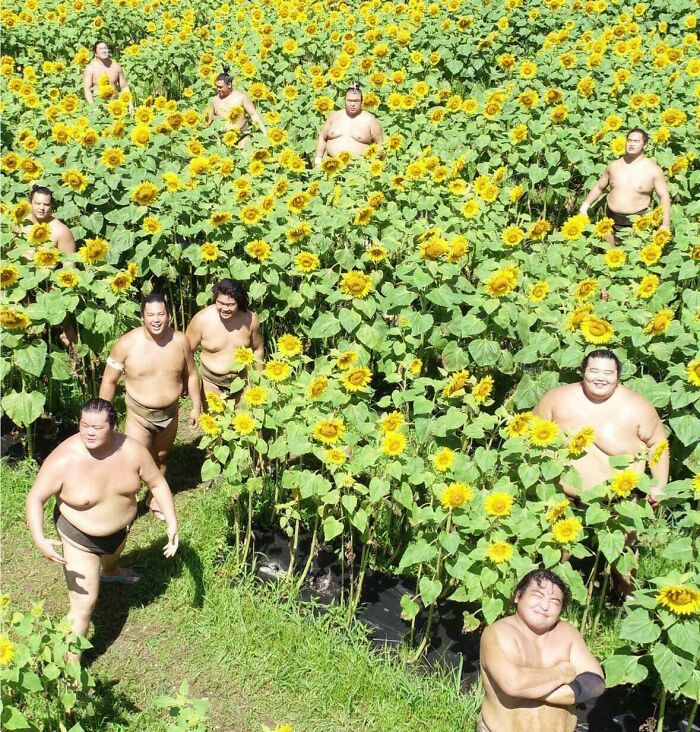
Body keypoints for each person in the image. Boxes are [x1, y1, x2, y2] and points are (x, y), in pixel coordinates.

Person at [26, 398, 178, 659]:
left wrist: (173, 522)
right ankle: (69, 672)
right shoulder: (64, 459)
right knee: (83, 607)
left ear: (114, 426)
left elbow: (157, 484)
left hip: (120, 531)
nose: (89, 432)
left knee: (111, 557)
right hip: (79, 537)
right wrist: (39, 538)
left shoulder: (133, 451)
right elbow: (35, 498)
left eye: (97, 427)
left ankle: (110, 570)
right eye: (84, 425)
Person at [99, 293, 201, 518]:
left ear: (169, 316)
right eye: (151, 315)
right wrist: (104, 418)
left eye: (161, 314)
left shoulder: (181, 341)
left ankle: (154, 497)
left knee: (162, 456)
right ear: (142, 317)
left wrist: (196, 405)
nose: (156, 320)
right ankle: (124, 506)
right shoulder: (126, 344)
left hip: (170, 413)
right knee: (130, 462)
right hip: (139, 416)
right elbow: (109, 380)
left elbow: (192, 375)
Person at [533, 349, 669, 504]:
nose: (600, 378)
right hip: (559, 501)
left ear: (618, 377)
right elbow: (529, 432)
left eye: (608, 373)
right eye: (594, 371)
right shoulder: (556, 399)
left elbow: (658, 445)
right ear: (583, 372)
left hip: (618, 506)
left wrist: (659, 486)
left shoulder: (638, 408)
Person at [479, 570, 605, 732]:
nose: (545, 606)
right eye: (538, 596)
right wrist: (562, 672)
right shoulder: (497, 633)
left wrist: (532, 688)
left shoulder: (568, 633)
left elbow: (594, 683)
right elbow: (514, 684)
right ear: (518, 596)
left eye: (554, 602)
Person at [579, 128, 671, 247]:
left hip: (638, 222)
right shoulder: (614, 166)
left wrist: (665, 223)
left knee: (634, 260)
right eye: (629, 140)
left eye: (636, 141)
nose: (631, 144)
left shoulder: (653, 170)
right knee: (610, 257)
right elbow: (599, 187)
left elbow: (664, 197)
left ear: (645, 145)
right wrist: (584, 207)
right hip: (610, 221)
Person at [186, 279, 264, 397]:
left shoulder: (250, 320)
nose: (225, 309)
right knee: (213, 416)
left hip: (242, 383)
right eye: (220, 303)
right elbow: (186, 352)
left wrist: (258, 380)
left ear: (239, 302)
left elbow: (258, 349)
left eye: (230, 305)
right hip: (210, 384)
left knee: (244, 416)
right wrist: (190, 379)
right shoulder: (201, 320)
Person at [313, 82, 383, 165]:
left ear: (361, 101)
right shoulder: (334, 117)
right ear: (344, 100)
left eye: (356, 101)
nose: (352, 104)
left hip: (359, 167)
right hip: (332, 166)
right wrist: (318, 160)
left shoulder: (370, 120)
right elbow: (322, 138)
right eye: (350, 100)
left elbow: (380, 144)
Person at [205, 65, 266, 145]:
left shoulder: (241, 97)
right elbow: (208, 121)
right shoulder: (214, 100)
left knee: (244, 153)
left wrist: (265, 132)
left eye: (220, 87)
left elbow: (253, 115)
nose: (218, 89)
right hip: (223, 138)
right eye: (217, 87)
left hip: (242, 136)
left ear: (229, 85)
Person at [20, 185, 76, 255]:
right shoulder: (21, 223)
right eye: (38, 203)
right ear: (30, 203)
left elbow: (69, 263)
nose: (41, 208)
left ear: (51, 206)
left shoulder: (62, 232)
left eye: (46, 205)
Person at [83, 41, 131, 105]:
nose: (104, 51)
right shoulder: (90, 68)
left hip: (115, 104)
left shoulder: (116, 66)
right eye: (101, 49)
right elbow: (87, 89)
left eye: (105, 48)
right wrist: (92, 107)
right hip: (98, 105)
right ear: (95, 53)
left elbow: (124, 87)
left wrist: (130, 104)